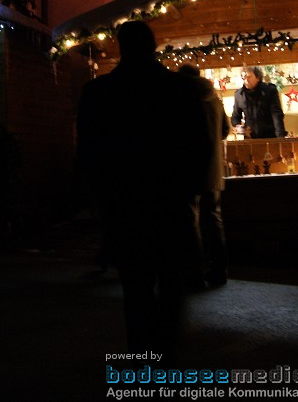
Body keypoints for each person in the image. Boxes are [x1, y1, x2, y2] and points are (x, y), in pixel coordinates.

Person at [77, 21, 210, 365]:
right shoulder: (180, 90)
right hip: (169, 203)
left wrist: (101, 200)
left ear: (121, 47)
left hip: (124, 205)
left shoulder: (99, 92)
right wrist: (190, 192)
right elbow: (200, 147)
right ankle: (166, 356)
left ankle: (143, 358)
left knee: (135, 290)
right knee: (170, 284)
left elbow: (89, 153)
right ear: (154, 46)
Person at [178, 64, 230, 287]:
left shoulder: (181, 99)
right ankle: (219, 271)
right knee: (214, 219)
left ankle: (195, 273)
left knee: (190, 221)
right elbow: (226, 130)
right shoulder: (214, 99)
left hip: (187, 167)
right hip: (213, 168)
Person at [230, 66, 285, 138]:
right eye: (243, 77)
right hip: (250, 138)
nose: (246, 80)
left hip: (270, 136)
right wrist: (240, 128)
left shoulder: (269, 91)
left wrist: (280, 137)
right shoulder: (239, 94)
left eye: (249, 77)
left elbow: (277, 115)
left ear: (258, 78)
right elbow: (235, 116)